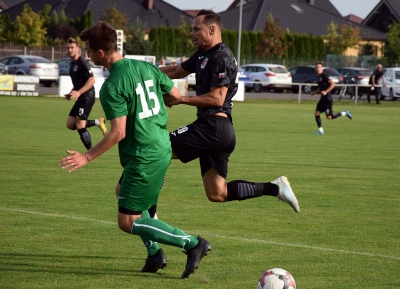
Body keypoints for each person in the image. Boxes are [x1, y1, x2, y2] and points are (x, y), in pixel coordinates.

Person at [59, 22, 211, 279]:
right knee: (123, 191)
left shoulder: (112, 86)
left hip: (144, 155)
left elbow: (118, 132)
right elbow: (174, 94)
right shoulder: (145, 67)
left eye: (88, 50)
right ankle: (155, 255)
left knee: (126, 221)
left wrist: (86, 156)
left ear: (101, 53)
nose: (87, 55)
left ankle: (193, 244)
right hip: (162, 146)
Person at [159, 10, 300, 212]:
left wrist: (181, 99)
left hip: (212, 128)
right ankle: (275, 188)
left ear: (212, 29)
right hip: (218, 131)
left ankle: (148, 213)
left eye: (196, 29)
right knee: (217, 193)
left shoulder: (221, 57)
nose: (192, 33)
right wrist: (141, 71)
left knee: (159, 147)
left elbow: (217, 98)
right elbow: (174, 71)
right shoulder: (203, 55)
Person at [65, 37, 107, 150]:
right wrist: (72, 92)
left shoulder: (83, 63)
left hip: (87, 96)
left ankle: (90, 152)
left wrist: (78, 92)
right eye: (68, 48)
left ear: (78, 49)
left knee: (80, 125)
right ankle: (98, 121)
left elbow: (92, 80)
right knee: (70, 124)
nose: (70, 50)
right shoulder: (72, 64)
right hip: (80, 96)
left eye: (72, 47)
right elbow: (79, 83)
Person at [310, 62, 353, 135]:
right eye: (316, 67)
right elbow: (321, 88)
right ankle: (320, 131)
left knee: (329, 117)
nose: (318, 68)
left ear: (322, 68)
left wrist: (326, 91)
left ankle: (345, 113)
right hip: (322, 99)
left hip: (327, 99)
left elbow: (333, 84)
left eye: (319, 67)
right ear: (315, 69)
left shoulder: (325, 76)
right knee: (316, 113)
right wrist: (314, 92)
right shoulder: (318, 77)